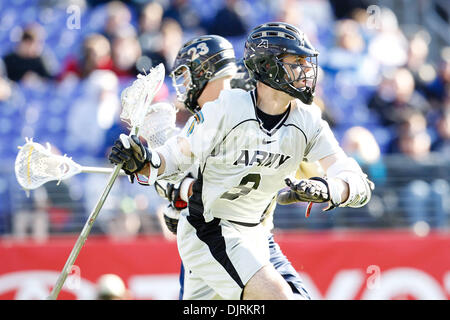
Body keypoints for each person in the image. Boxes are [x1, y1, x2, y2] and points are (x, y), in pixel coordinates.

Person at [109, 22, 374, 300]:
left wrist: (331, 189)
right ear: (267, 66)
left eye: (304, 61)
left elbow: (356, 182)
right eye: (294, 61)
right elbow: (172, 158)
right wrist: (143, 160)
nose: (304, 70)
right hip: (210, 229)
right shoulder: (227, 108)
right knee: (278, 296)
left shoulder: (308, 120)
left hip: (259, 236)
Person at [154, 35, 311, 300]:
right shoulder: (206, 120)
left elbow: (218, 185)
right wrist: (172, 191)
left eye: (188, 75)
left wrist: (181, 191)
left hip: (251, 234)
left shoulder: (248, 109)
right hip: (214, 236)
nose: (184, 86)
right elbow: (172, 178)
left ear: (205, 73)